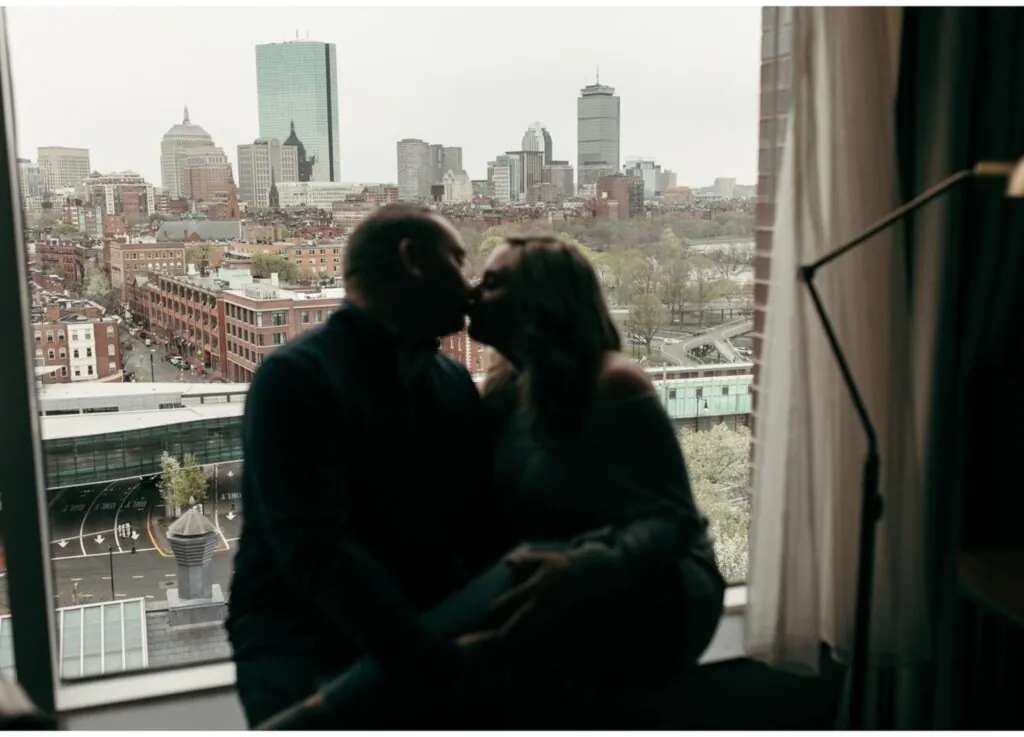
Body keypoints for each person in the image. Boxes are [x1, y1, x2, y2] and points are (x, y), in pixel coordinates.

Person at [226, 204, 497, 728]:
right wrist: (433, 662)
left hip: (412, 647)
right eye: (458, 261)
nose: (469, 283)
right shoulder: (295, 377)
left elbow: (474, 523)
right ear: (411, 260)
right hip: (304, 658)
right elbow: (316, 548)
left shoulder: (450, 380)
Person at [450, 233, 727, 728]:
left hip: (661, 591)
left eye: (491, 284)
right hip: (575, 580)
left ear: (542, 300)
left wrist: (580, 567)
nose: (472, 294)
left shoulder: (614, 383)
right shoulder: (505, 391)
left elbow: (672, 521)